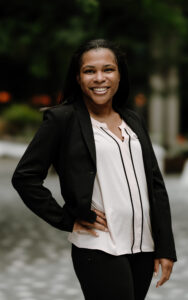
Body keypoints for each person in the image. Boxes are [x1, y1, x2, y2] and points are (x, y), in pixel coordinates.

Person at [12, 39, 177, 300]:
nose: (99, 78)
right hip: (99, 245)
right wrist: (67, 219)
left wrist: (165, 246)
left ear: (119, 75)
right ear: (78, 78)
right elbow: (25, 177)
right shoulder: (63, 119)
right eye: (90, 71)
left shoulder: (133, 120)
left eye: (108, 69)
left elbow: (155, 184)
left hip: (143, 245)